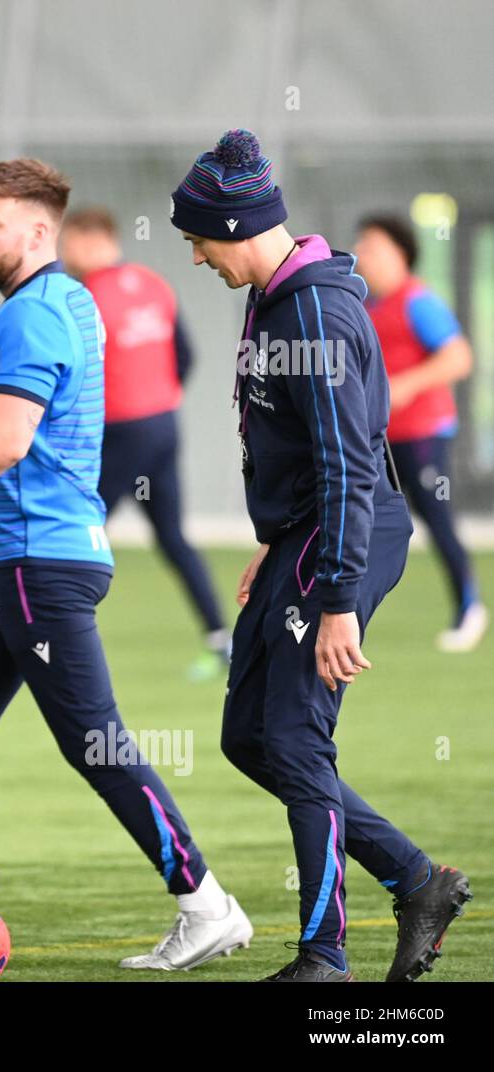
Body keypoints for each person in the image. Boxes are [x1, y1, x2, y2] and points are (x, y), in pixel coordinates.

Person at [0, 158, 252, 973]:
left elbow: (4, 444)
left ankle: (208, 904)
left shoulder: (31, 317)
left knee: (99, 746)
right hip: (18, 563)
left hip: (37, 566)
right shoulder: (65, 300)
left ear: (39, 231)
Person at [171, 129, 472, 981]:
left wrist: (336, 597)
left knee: (297, 742)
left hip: (346, 537)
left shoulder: (316, 309)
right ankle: (417, 880)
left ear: (235, 225)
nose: (194, 256)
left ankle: (324, 955)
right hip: (303, 540)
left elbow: (345, 461)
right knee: (247, 736)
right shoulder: (274, 295)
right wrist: (273, 548)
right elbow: (294, 445)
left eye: (197, 238)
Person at [61, 206, 229, 679]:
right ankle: (220, 640)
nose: (64, 252)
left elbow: (71, 378)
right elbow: (186, 356)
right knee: (173, 538)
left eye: (69, 242)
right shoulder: (154, 283)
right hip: (164, 427)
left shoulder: (83, 297)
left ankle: (49, 642)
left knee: (75, 533)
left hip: (119, 434)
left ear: (93, 241)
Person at [353, 214, 484, 652]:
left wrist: (407, 384)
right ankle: (346, 615)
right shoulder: (369, 306)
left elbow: (459, 358)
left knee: (436, 518)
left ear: (400, 253)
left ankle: (470, 608)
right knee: (365, 521)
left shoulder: (418, 301)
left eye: (371, 246)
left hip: (424, 433)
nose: (362, 254)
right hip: (382, 437)